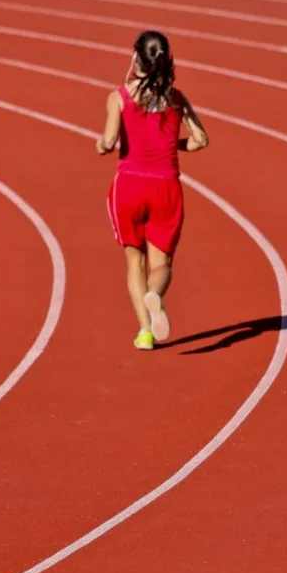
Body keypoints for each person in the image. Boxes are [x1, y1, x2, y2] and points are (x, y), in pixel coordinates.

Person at [97, 30, 210, 350]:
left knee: (135, 262)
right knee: (161, 266)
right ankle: (155, 295)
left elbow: (107, 142)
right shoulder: (177, 99)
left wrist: (102, 146)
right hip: (167, 188)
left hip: (129, 186)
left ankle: (145, 332)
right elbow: (201, 140)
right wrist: (170, 145)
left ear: (136, 58)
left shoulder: (118, 97)